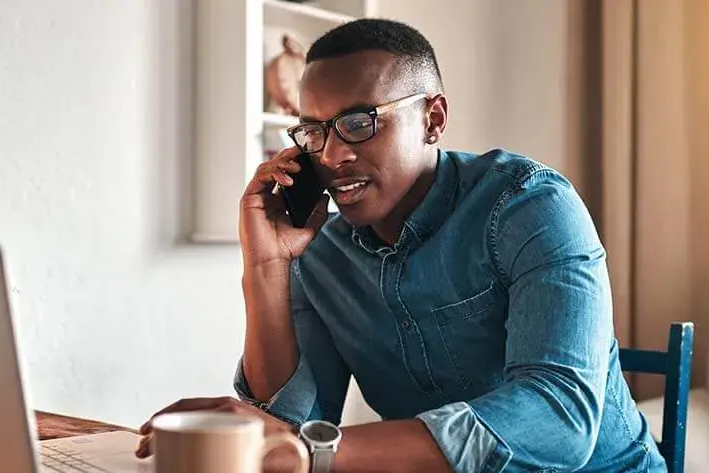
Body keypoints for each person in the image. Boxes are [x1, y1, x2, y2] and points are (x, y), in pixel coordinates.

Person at [136, 18, 666, 472]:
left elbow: (559, 420)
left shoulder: (529, 207)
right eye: (314, 131)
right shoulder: (321, 248)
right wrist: (266, 266)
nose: (332, 155)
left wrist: (306, 453)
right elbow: (287, 427)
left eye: (358, 123)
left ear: (432, 120)